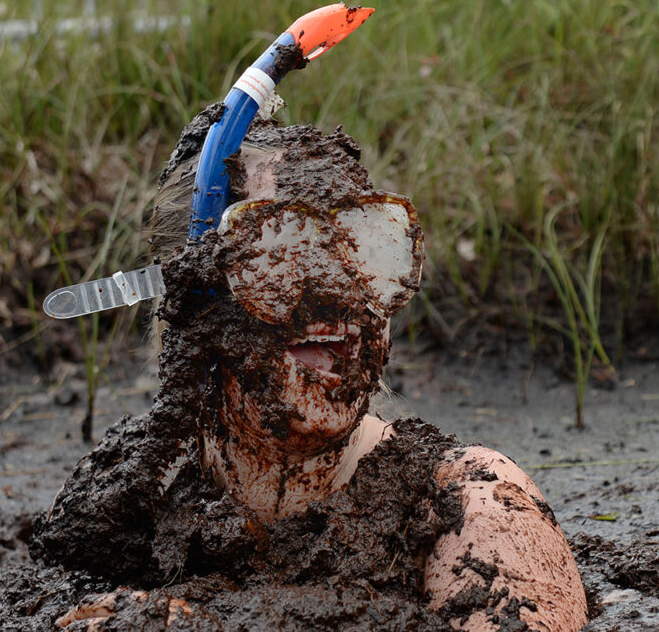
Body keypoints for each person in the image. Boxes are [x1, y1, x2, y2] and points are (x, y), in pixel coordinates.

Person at [33, 111, 588, 631]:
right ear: (191, 299)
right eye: (282, 253)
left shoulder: (474, 504)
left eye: (363, 247)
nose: (339, 296)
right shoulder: (113, 501)